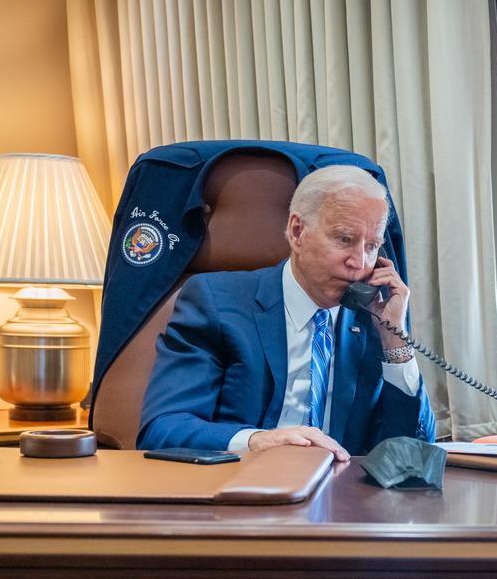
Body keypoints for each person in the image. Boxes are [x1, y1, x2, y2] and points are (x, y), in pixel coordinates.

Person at [138, 165, 437, 460]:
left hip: (342, 498)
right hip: (242, 491)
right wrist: (257, 440)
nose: (360, 263)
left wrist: (395, 342)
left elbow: (413, 452)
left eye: (372, 246)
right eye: (345, 239)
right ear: (297, 231)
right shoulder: (215, 301)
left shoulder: (373, 317)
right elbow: (163, 428)